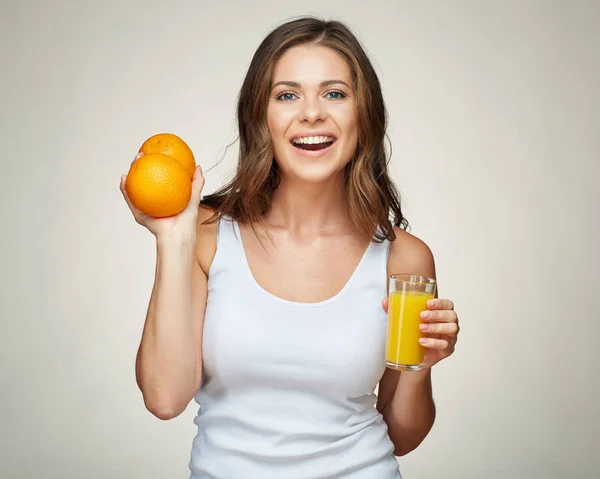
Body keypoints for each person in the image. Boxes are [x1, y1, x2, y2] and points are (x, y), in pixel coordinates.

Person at [120, 16, 460, 479]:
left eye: (335, 93)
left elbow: (401, 437)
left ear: (364, 113)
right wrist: (174, 239)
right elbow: (164, 398)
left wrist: (421, 368)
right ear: (261, 115)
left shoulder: (404, 258)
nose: (312, 113)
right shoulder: (204, 237)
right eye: (287, 95)